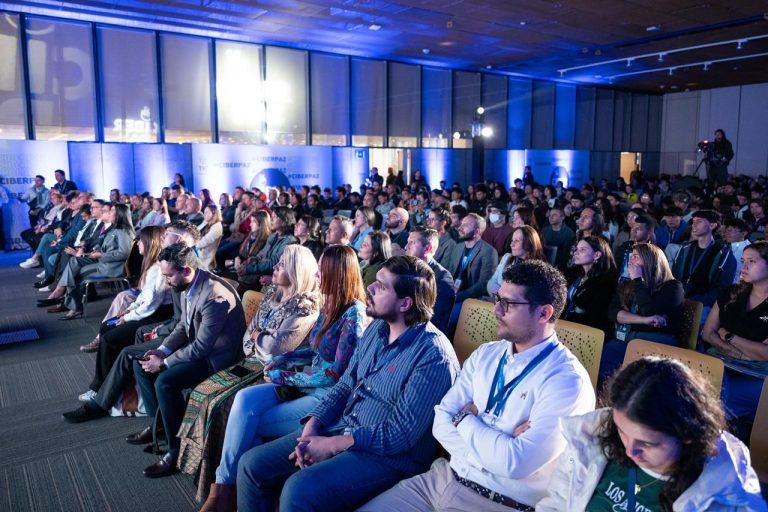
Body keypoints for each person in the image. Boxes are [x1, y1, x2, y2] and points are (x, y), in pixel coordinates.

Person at [359, 260, 596, 512]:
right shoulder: (487, 354)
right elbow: (441, 421)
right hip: (441, 480)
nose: (496, 309)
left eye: (508, 304)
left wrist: (463, 419)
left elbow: (514, 463)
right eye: (497, 299)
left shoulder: (567, 381)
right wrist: (497, 446)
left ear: (544, 314)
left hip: (497, 502)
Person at [235, 256, 460, 511]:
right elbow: (345, 384)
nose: (370, 288)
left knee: (298, 491)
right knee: (251, 466)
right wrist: (313, 424)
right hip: (343, 427)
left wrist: (333, 446)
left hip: (387, 458)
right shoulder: (377, 329)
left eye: (381, 286)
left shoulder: (433, 356)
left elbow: (400, 434)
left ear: (405, 303)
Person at [199, 245, 367, 508]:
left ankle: (234, 495)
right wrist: (284, 359)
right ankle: (225, 486)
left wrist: (285, 376)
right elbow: (313, 351)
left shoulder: (354, 314)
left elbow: (335, 374)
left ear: (338, 274)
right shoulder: (329, 304)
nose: (317, 275)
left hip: (328, 398)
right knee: (244, 399)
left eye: (322, 270)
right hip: (307, 385)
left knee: (248, 426)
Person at [176, 245, 321, 494]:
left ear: (297, 271)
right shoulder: (271, 295)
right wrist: (258, 339)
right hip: (252, 361)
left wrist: (259, 339)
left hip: (278, 372)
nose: (275, 267)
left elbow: (276, 349)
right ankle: (207, 475)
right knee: (202, 393)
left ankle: (226, 487)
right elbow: (248, 338)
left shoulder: (305, 306)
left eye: (282, 264)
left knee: (222, 406)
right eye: (278, 262)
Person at [537, 357, 766, 512]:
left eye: (648, 443)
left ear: (687, 433)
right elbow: (555, 504)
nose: (630, 450)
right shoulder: (590, 439)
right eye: (622, 431)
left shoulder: (724, 493)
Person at [59, 222, 201, 423]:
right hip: (174, 325)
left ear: (180, 239)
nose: (162, 236)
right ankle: (129, 402)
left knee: (127, 350)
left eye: (167, 233)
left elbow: (188, 325)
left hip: (181, 333)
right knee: (128, 335)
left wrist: (162, 342)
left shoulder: (188, 271)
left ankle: (103, 402)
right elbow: (177, 315)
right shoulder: (174, 263)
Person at [130, 243, 247, 478]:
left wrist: (164, 363)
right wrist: (161, 351)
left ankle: (176, 452)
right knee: (141, 365)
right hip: (201, 350)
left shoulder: (214, 295)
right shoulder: (188, 285)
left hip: (218, 359)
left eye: (168, 275)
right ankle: (161, 425)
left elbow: (202, 347)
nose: (166, 281)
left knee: (165, 382)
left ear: (186, 270)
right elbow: (184, 326)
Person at [702, 241, 768, 421]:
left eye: (751, 261)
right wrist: (740, 353)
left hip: (757, 376)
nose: (743, 267)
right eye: (743, 261)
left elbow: (765, 354)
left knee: (717, 401)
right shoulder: (732, 293)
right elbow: (708, 333)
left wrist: (729, 336)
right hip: (720, 362)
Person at [599, 243, 685, 381]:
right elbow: (613, 312)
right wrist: (643, 321)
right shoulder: (630, 285)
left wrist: (639, 280)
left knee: (621, 348)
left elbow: (648, 311)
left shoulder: (673, 287)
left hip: (658, 340)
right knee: (611, 348)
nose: (630, 260)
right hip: (630, 338)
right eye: (631, 256)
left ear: (650, 261)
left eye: (636, 257)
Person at [42, 203, 135, 319]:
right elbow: (110, 247)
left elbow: (124, 253)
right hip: (106, 262)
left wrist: (101, 254)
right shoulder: (115, 229)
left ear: (119, 215)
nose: (108, 213)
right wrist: (98, 250)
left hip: (112, 267)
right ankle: (63, 293)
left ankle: (71, 304)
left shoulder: (123, 231)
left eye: (112, 211)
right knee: (74, 262)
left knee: (76, 273)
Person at [672, 210, 736, 309]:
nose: (694, 225)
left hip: (705, 305)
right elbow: (673, 276)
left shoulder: (724, 253)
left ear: (712, 225)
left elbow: (723, 288)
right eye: (693, 221)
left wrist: (695, 301)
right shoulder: (685, 248)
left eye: (699, 221)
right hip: (679, 300)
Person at [448, 213, 498, 328]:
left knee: (446, 317)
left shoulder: (489, 251)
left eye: (465, 225)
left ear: (477, 231)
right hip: (453, 294)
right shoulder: (458, 247)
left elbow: (482, 285)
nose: (460, 228)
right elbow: (449, 272)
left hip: (471, 299)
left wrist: (457, 297)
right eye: (461, 224)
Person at [562, 236, 618, 337]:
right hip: (566, 326)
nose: (576, 253)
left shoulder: (606, 282)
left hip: (587, 334)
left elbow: (594, 316)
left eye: (582, 249)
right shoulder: (576, 274)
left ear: (597, 255)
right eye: (577, 249)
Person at [405, 227, 455, 335]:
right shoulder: (407, 269)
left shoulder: (442, 279)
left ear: (428, 248)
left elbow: (434, 319)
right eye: (407, 242)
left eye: (412, 243)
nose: (406, 247)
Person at [487, 226, 546, 296]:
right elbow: (491, 283)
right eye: (512, 240)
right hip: (496, 299)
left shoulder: (537, 269)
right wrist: (500, 297)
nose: (511, 244)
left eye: (517, 241)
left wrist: (502, 297)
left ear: (529, 243)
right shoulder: (506, 257)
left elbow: (522, 296)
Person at [540, 207, 576, 271]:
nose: (551, 217)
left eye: (554, 215)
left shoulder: (569, 233)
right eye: (550, 215)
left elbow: (567, 254)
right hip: (543, 264)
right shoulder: (544, 231)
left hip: (559, 267)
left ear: (562, 217)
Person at [195, 205, 224, 270]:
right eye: (204, 212)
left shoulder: (217, 227)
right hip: (199, 252)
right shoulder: (208, 222)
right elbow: (194, 232)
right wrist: (204, 222)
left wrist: (189, 245)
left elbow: (203, 242)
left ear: (214, 214)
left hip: (204, 257)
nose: (204, 214)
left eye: (207, 212)